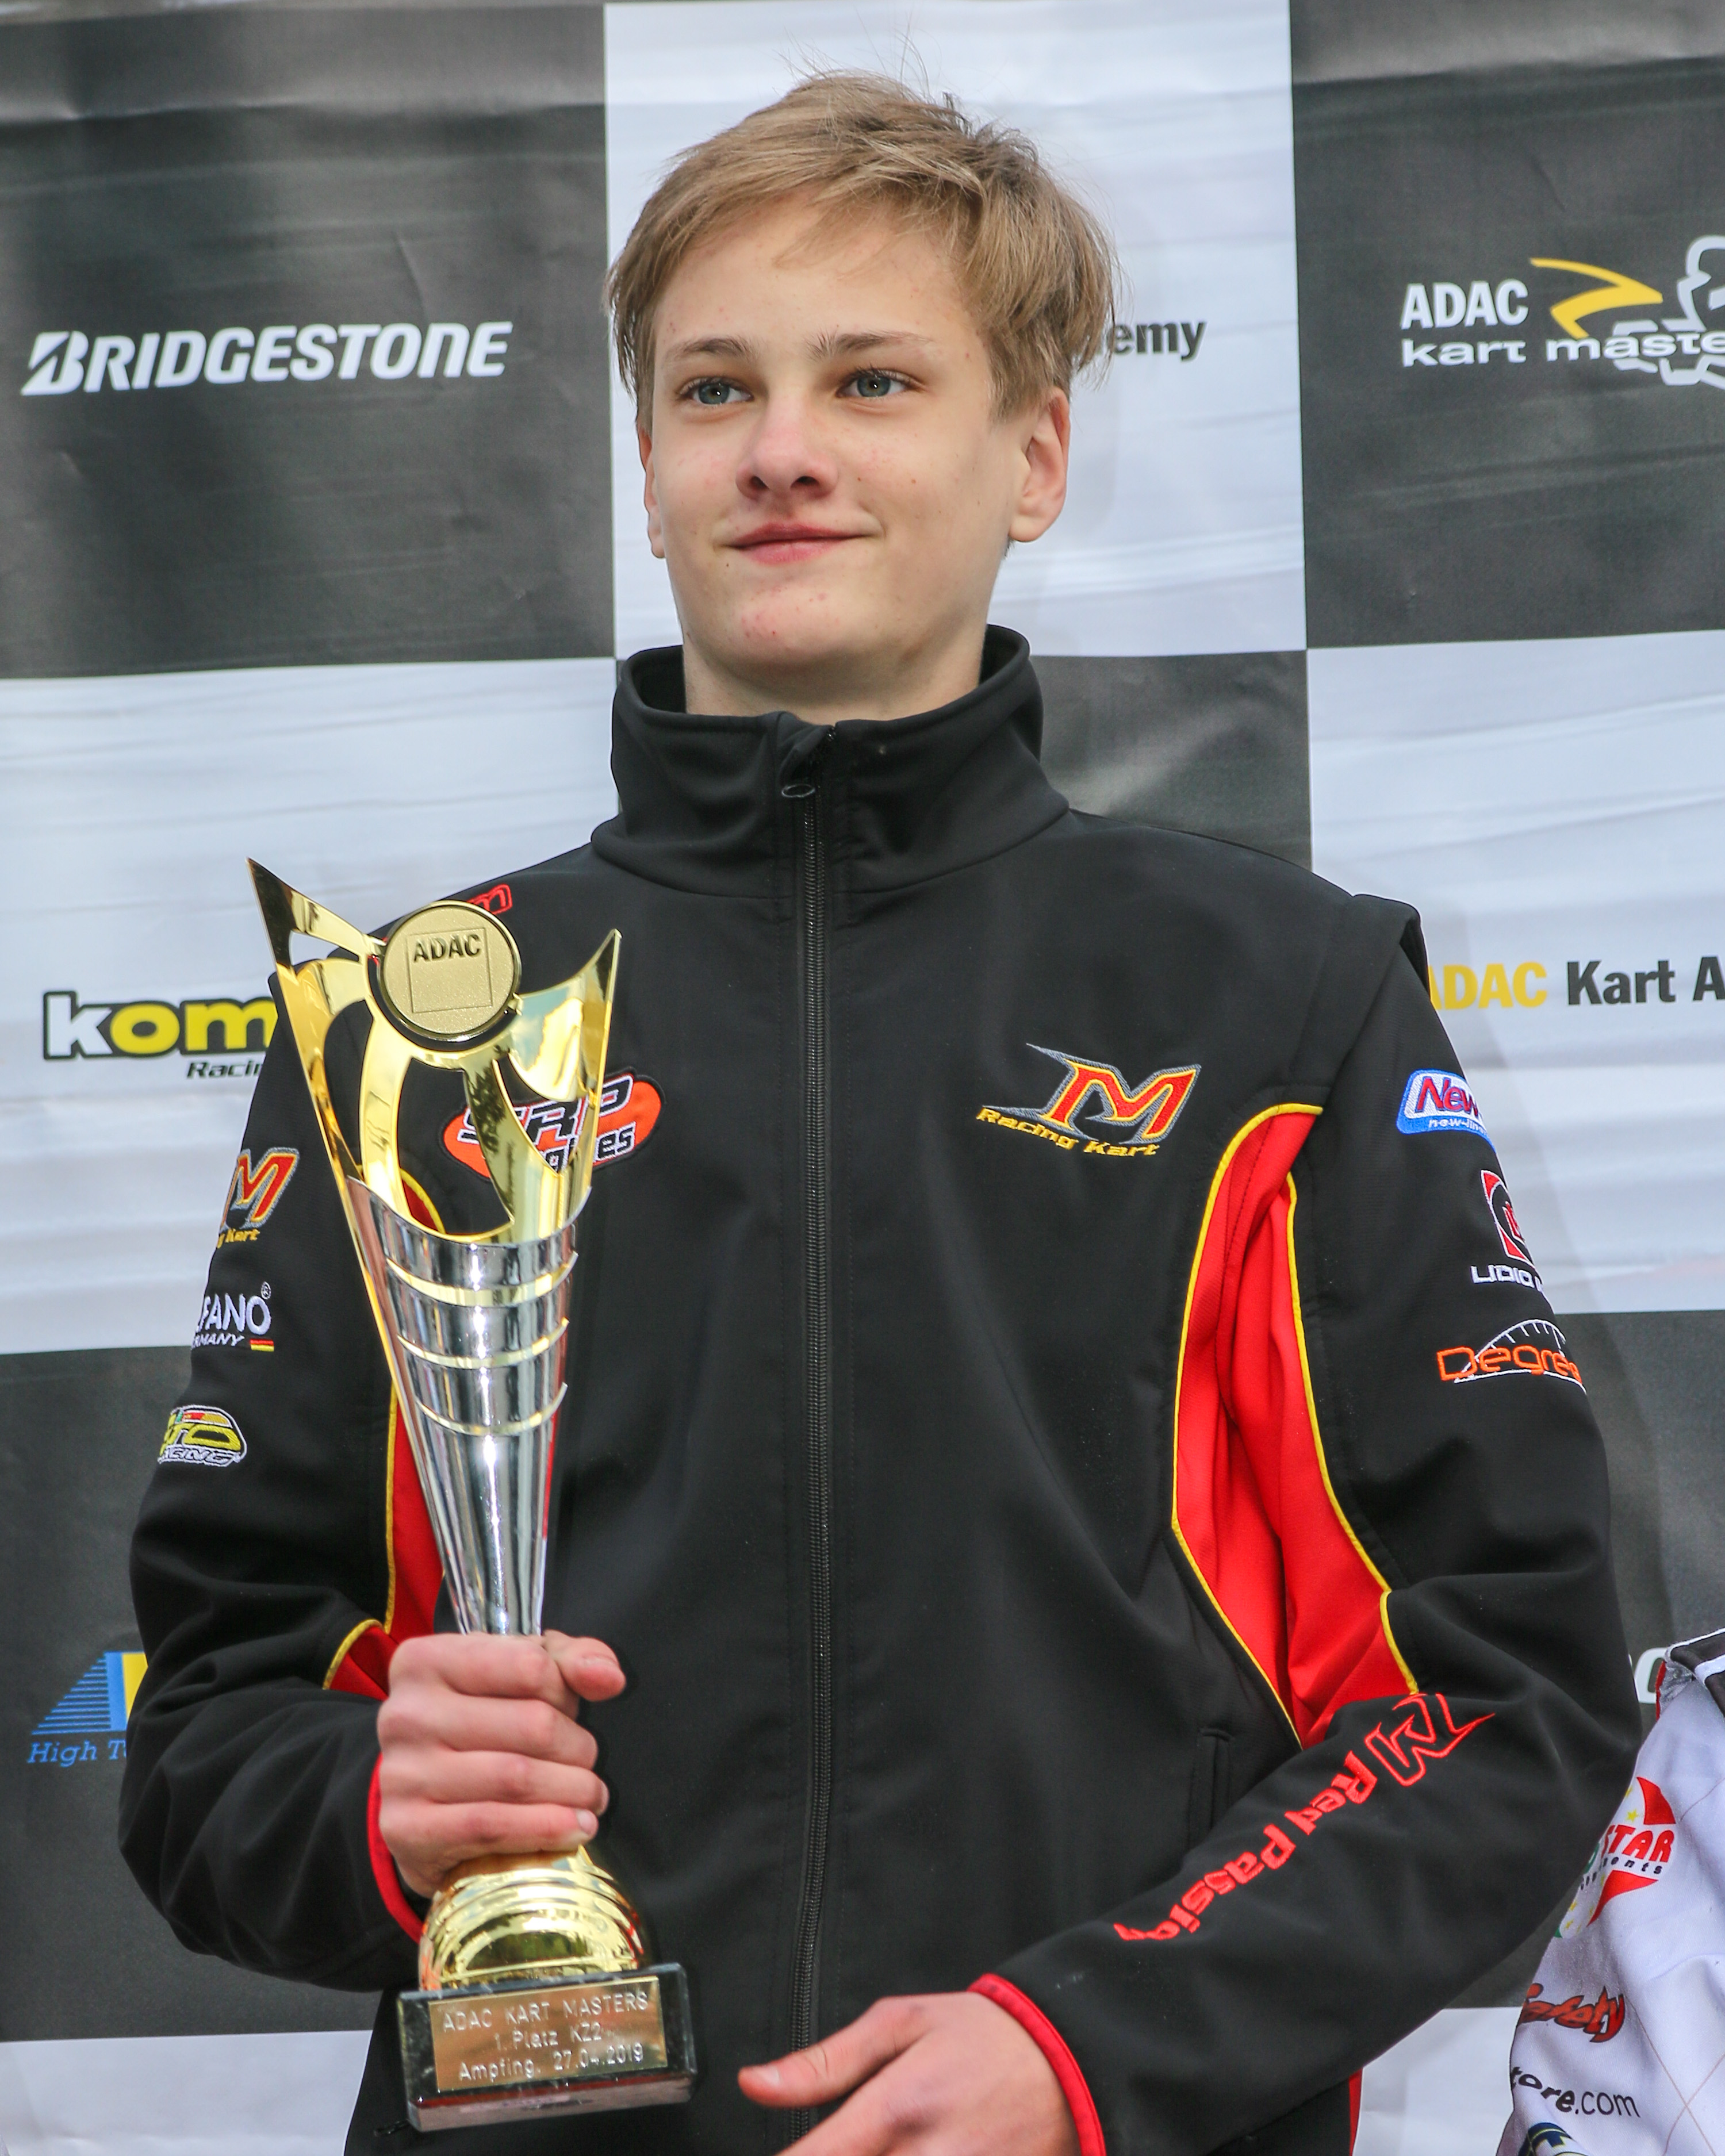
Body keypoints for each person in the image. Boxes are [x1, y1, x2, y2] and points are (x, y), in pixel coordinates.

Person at [121, 72, 1640, 2156]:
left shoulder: (1281, 1002)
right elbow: (202, 1739)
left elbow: (1498, 1698)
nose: (783, 450)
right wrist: (373, 1805)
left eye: (873, 380)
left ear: (1036, 455)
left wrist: (1096, 2043)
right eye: (714, 389)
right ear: (647, 469)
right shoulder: (415, 1029)